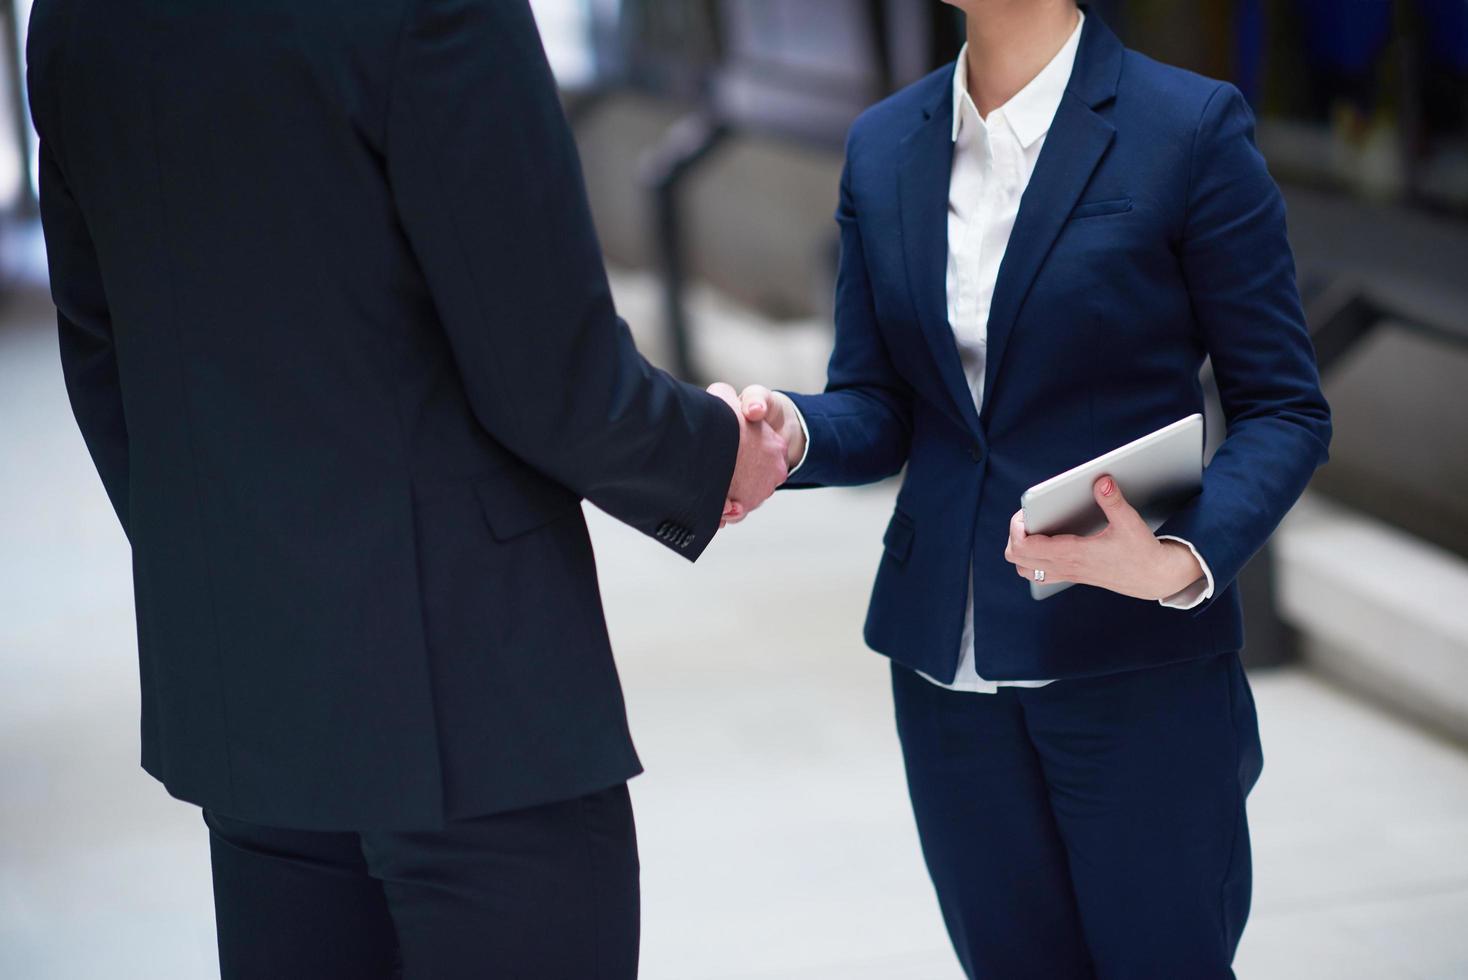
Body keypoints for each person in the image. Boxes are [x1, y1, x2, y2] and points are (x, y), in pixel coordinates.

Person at [28, 0, 787, 977]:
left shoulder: (79, 20)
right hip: (468, 697)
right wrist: (716, 448)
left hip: (252, 696)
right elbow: (550, 372)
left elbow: (104, 354)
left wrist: (239, 564)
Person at [720, 1, 1331, 976]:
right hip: (944, 678)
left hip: (1134, 663)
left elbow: (1284, 407)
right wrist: (789, 433)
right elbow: (878, 404)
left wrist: (1180, 557)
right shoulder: (884, 145)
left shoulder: (1187, 126)